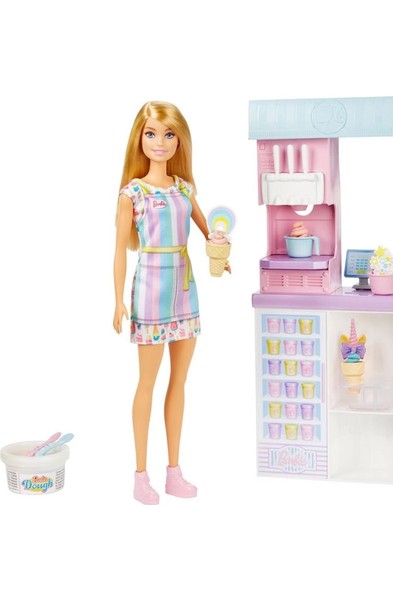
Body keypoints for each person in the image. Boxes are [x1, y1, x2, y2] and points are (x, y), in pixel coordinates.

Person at [113, 101, 224, 505]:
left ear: (179, 140)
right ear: (139, 138)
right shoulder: (132, 193)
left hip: (184, 290)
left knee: (179, 381)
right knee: (147, 381)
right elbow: (119, 251)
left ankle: (174, 471)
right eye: (151, 134)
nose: (159, 142)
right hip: (149, 292)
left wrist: (220, 248)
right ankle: (140, 475)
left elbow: (209, 229)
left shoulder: (183, 189)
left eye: (169, 134)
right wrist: (117, 301)